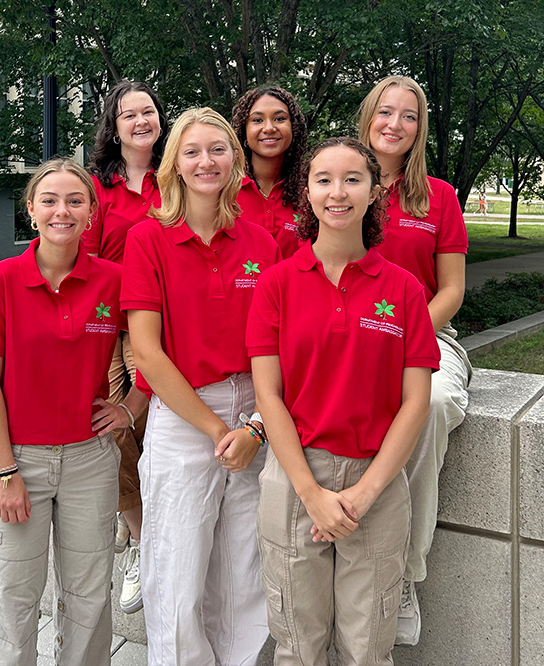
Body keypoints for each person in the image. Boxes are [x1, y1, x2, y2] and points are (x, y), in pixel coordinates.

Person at [248, 136, 439, 665]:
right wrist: (310, 492)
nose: (338, 193)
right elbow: (269, 394)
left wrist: (365, 493)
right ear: (305, 192)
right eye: (323, 180)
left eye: (353, 179)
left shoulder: (402, 291)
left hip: (376, 481)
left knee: (368, 649)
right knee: (298, 647)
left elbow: (416, 402)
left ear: (376, 191)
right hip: (293, 479)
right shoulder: (276, 286)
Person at [121, 107, 281, 665]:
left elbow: (274, 349)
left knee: (243, 572)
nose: (205, 160)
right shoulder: (148, 241)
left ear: (236, 162)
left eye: (218, 149)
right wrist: (219, 429)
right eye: (192, 151)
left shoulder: (262, 245)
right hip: (186, 416)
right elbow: (147, 352)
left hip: (254, 415)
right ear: (175, 166)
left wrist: (256, 429)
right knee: (177, 571)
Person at [0, 158, 130, 665]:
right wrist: (5, 470)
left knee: (89, 596)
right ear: (32, 211)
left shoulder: (114, 282)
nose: (63, 210)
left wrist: (132, 406)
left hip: (91, 459)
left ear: (91, 214)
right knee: (11, 595)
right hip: (23, 461)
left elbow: (151, 351)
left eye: (75, 201)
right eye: (51, 200)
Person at [358, 75, 474, 646]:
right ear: (368, 117)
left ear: (419, 129)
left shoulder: (440, 197)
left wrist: (402, 335)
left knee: (429, 405)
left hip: (425, 336)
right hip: (346, 339)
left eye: (409, 116)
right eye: (386, 112)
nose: (395, 124)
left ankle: (405, 577)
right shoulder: (338, 183)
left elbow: (451, 291)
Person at [84, 79, 170, 614]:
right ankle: (139, 538)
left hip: (161, 324)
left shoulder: (178, 177)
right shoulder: (98, 189)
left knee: (157, 425)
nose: (141, 121)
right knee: (111, 429)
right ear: (113, 129)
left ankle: (156, 532)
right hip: (109, 325)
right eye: (128, 114)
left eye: (149, 111)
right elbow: (87, 262)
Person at [232, 85, 309, 259]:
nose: (269, 128)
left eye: (279, 119)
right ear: (244, 130)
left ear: (293, 127)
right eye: (257, 120)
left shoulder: (311, 190)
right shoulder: (225, 189)